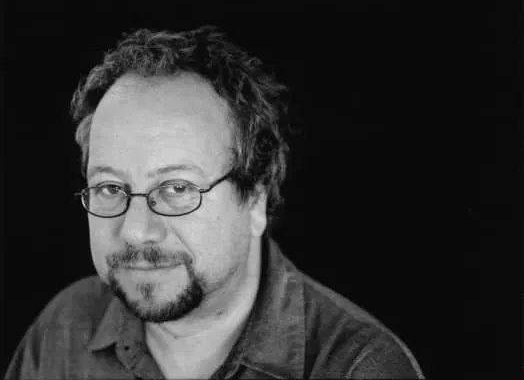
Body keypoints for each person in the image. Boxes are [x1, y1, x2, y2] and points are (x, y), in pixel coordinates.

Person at [4, 25, 425, 379]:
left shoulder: (357, 367)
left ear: (255, 199)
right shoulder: (63, 329)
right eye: (111, 189)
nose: (135, 230)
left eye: (177, 189)